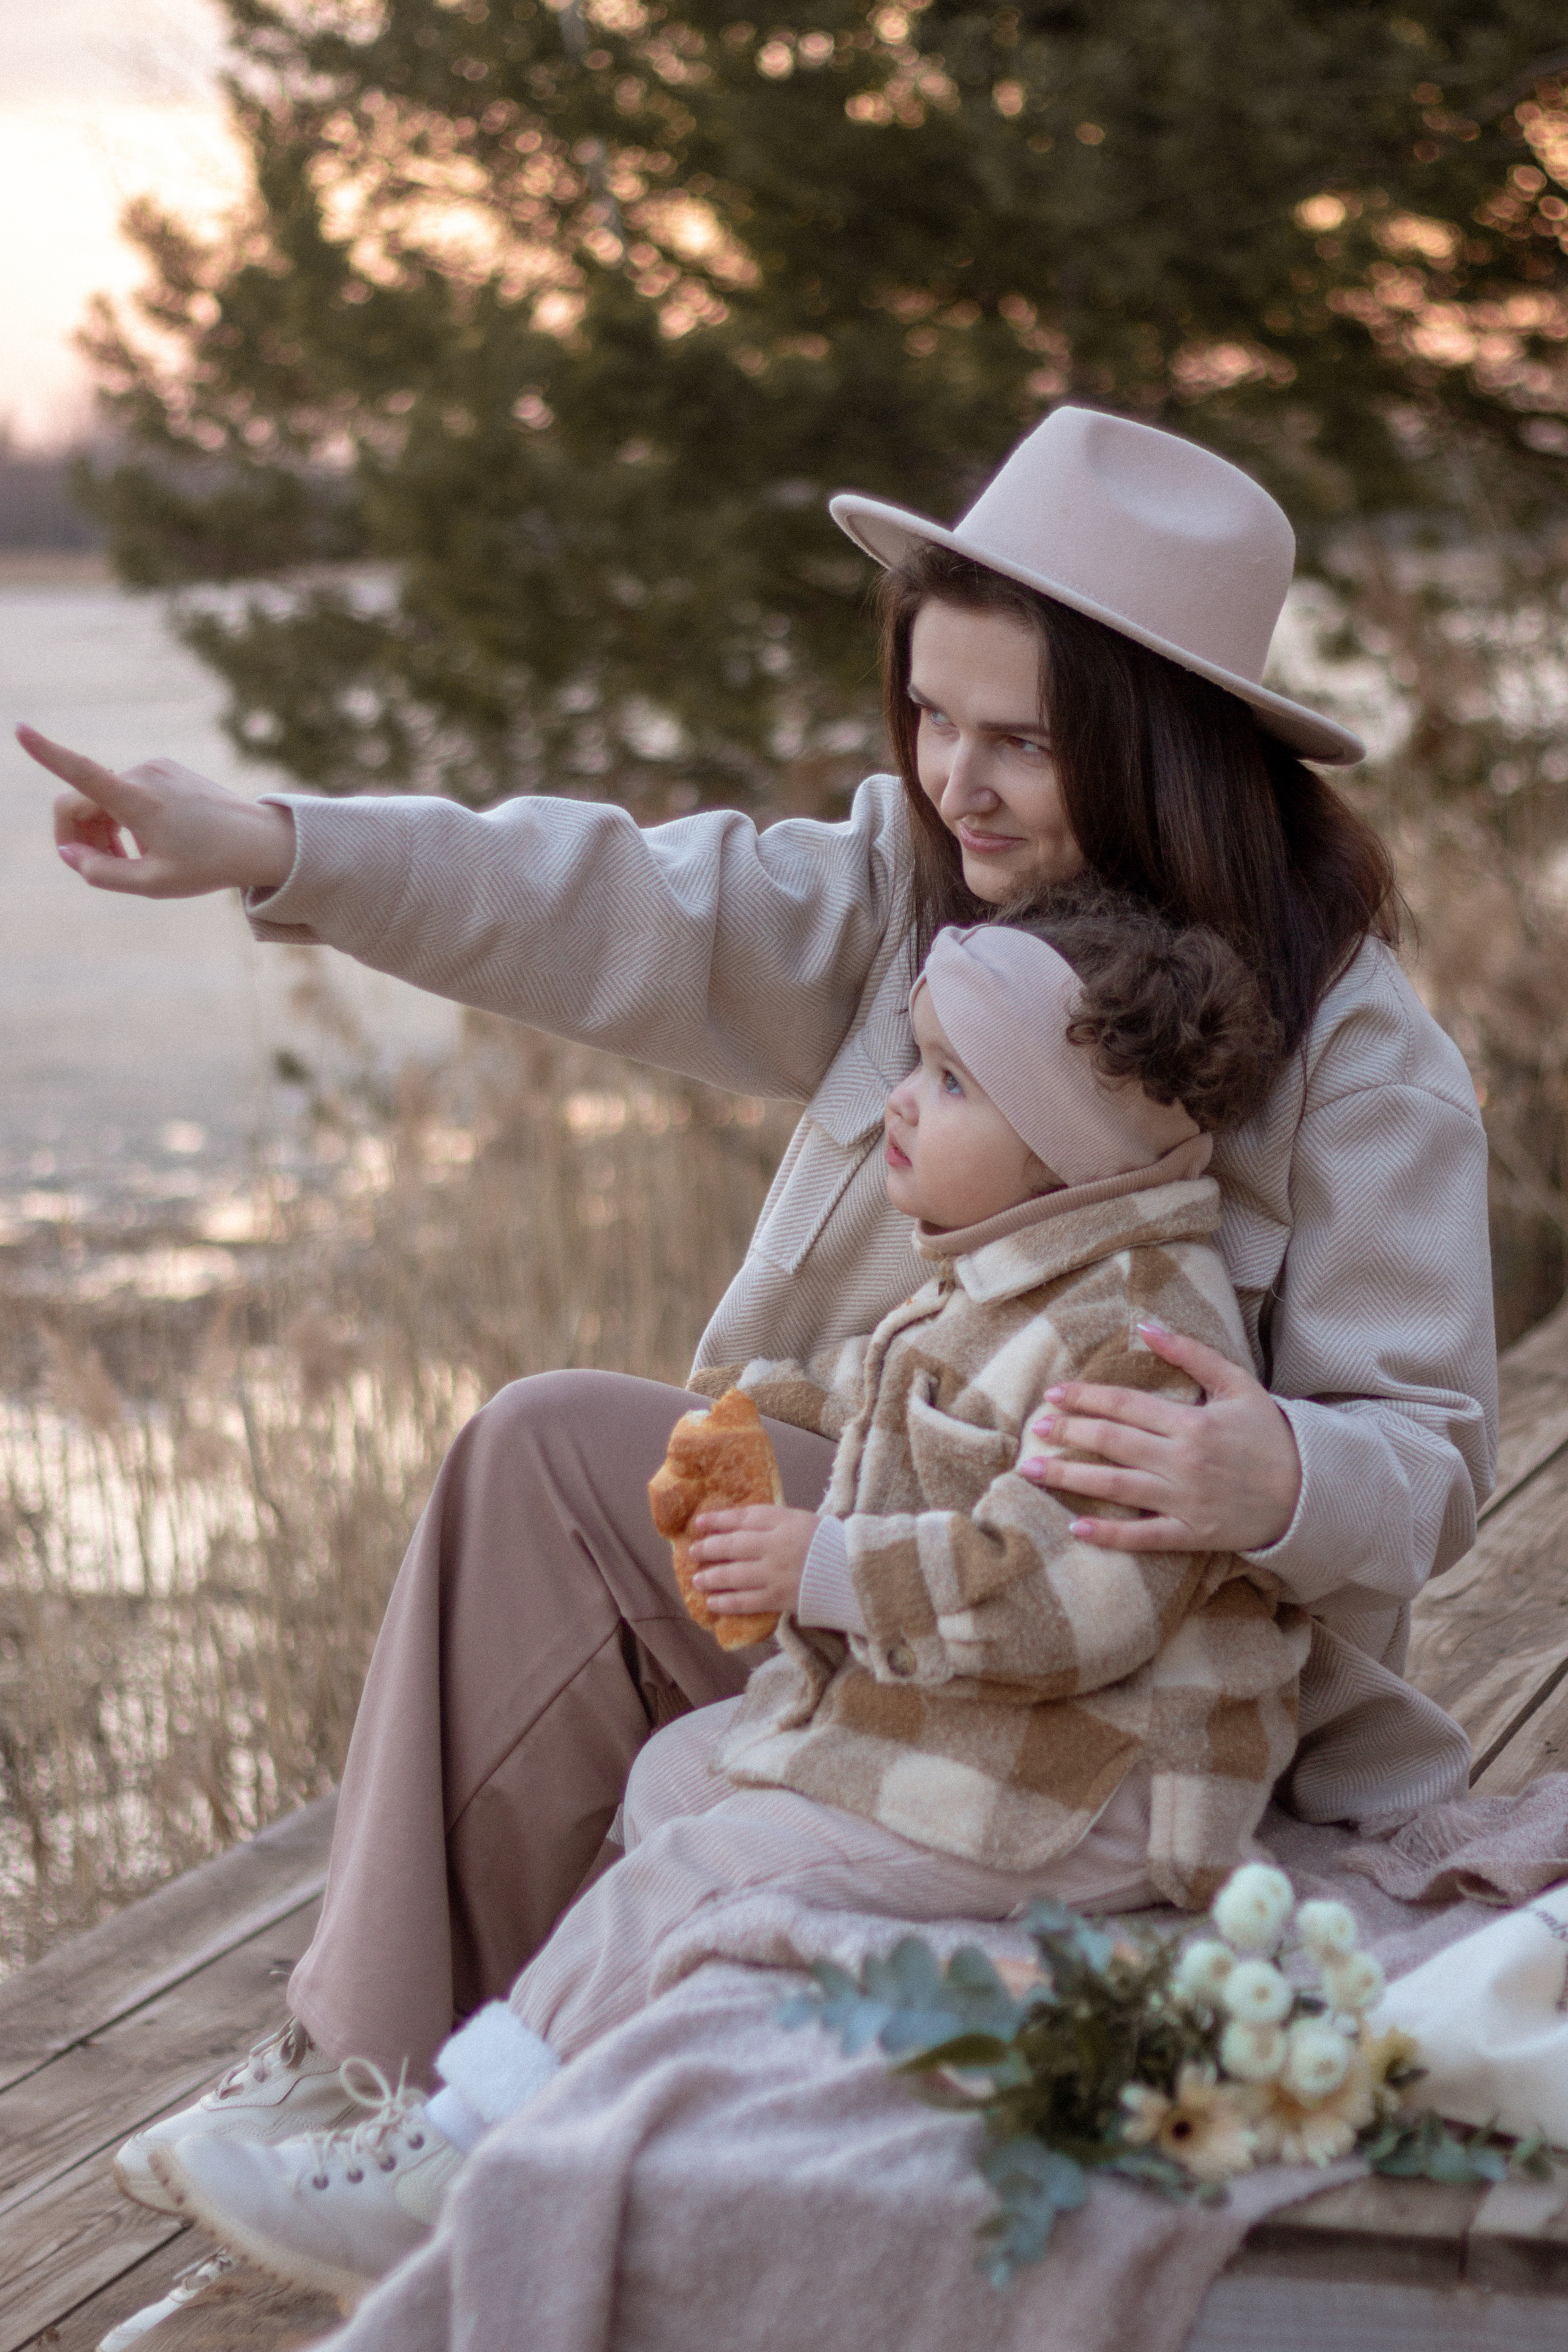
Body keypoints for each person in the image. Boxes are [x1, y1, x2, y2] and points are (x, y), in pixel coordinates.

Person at [16, 404, 1494, 2197]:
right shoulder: (913, 902)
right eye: (934, 717)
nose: (959, 778)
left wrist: (1278, 1477)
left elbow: (1425, 1453)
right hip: (906, 1562)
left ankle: (486, 2132)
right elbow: (606, 898)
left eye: (1021, 739)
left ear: (1170, 746)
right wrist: (270, 842)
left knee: (683, 1674)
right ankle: (366, 2081)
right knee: (548, 1452)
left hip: (1141, 1694)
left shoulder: (1359, 1053)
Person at [146, 895, 1311, 2304]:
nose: (900, 1103)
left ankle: (447, 2167)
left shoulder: (1127, 1341)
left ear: (1066, 1141)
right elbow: (902, 1414)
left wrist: (818, 1565)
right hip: (1000, 1751)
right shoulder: (1007, 1278)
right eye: (916, 1061)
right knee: (679, 1778)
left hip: (1091, 1788)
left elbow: (1064, 1606)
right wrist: (764, 1413)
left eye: (951, 1082)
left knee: (709, 1865)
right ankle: (627, 2119)